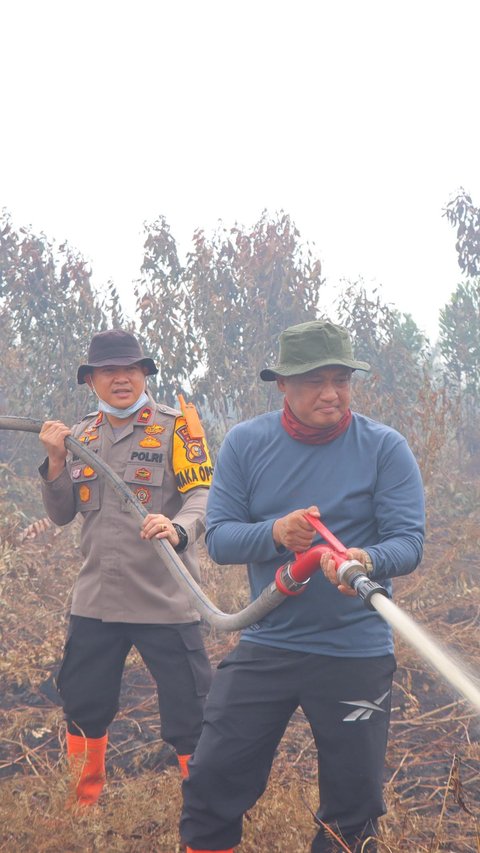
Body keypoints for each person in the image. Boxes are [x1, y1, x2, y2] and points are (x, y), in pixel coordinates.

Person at [180, 319, 425, 853]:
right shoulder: (247, 443)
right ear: (283, 385)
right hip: (269, 642)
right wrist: (276, 533)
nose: (331, 393)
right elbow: (219, 539)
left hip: (355, 649)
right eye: (314, 380)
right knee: (212, 779)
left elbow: (409, 542)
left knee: (353, 808)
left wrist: (366, 558)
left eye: (341, 379)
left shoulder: (385, 448)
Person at [38, 329, 213, 805]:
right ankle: (81, 810)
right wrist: (55, 461)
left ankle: (203, 814)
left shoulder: (177, 427)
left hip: (166, 599)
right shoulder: (82, 436)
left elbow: (203, 496)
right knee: (82, 706)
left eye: (130, 369)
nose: (121, 379)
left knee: (192, 713)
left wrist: (177, 527)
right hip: (96, 600)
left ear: (144, 374)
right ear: (91, 380)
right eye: (109, 371)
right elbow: (61, 514)